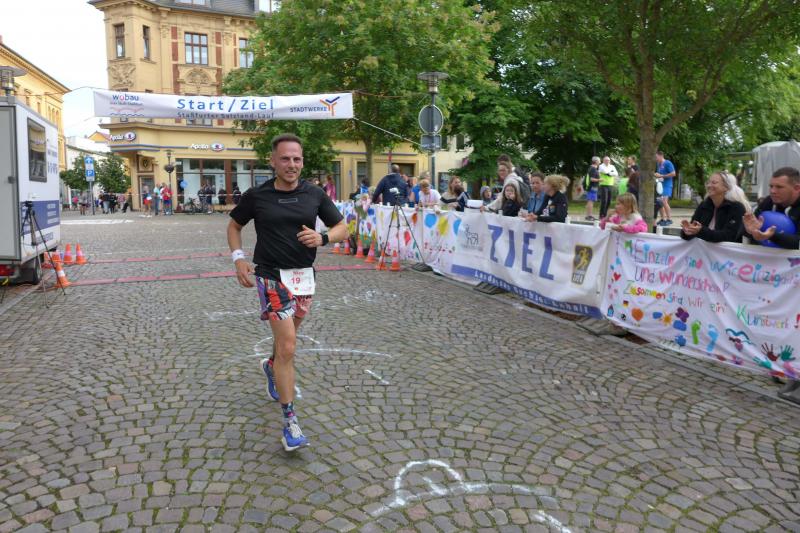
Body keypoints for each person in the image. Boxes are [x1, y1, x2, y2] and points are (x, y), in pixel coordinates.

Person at [227, 133, 348, 451]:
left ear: (302, 162)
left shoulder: (314, 194)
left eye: (296, 159)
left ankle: (271, 366)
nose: (291, 164)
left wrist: (323, 238)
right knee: (289, 346)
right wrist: (238, 259)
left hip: (304, 277)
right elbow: (234, 226)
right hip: (270, 276)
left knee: (286, 343)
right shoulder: (257, 195)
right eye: (285, 158)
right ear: (273, 161)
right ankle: (290, 422)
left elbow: (343, 227)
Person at [681, 171, 749, 243]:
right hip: (702, 250)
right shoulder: (704, 205)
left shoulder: (737, 208)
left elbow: (729, 236)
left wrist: (700, 231)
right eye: (708, 182)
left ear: (726, 187)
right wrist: (687, 232)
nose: (709, 185)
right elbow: (693, 229)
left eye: (714, 183)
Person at [743, 166, 800, 249]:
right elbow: (748, 231)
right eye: (771, 186)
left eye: (779, 187)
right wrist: (749, 230)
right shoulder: (769, 201)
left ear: (797, 188)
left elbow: (797, 242)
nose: (772, 191)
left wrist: (772, 236)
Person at [655, 150, 676, 226]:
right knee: (660, 202)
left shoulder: (667, 163)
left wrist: (661, 176)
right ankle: (663, 219)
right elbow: (660, 175)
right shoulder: (658, 164)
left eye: (656, 157)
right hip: (660, 185)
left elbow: (673, 173)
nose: (655, 159)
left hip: (667, 185)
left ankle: (669, 219)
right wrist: (657, 175)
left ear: (661, 156)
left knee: (664, 201)